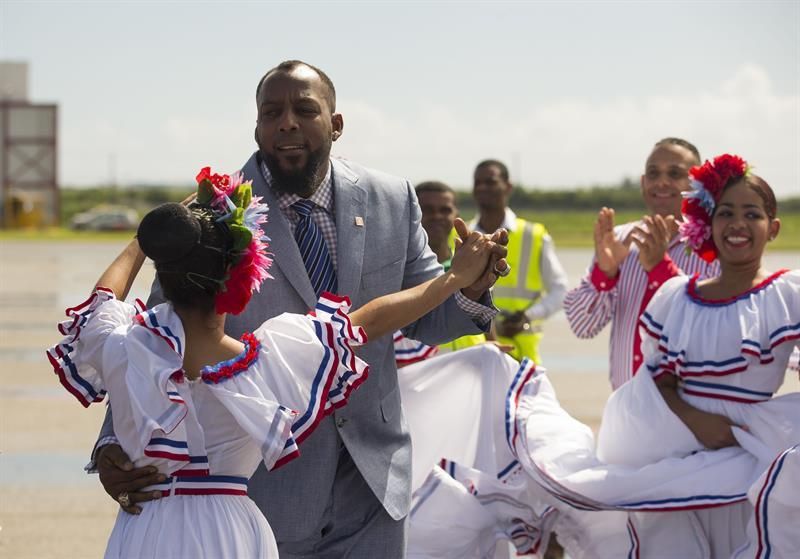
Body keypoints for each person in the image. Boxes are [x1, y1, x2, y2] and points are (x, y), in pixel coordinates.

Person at [93, 60, 508, 558]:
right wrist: (115, 444)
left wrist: (470, 287)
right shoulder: (214, 212)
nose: (286, 122)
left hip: (371, 484)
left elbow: (427, 314)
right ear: (257, 127)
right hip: (260, 490)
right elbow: (155, 333)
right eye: (272, 112)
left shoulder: (390, 199)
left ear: (335, 123)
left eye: (304, 109)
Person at [508, 154, 799, 557]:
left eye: (752, 214)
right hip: (667, 448)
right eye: (726, 213)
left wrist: (759, 430)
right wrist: (698, 420)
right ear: (709, 222)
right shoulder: (672, 291)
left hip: (746, 456)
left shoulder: (786, 294)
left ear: (773, 228)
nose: (737, 224)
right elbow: (650, 367)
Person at [563, 137, 720, 390]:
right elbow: (582, 326)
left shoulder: (714, 245)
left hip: (691, 416)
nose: (662, 182)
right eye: (653, 173)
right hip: (628, 416)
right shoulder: (621, 240)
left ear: (697, 185)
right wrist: (605, 274)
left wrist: (661, 269)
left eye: (675, 173)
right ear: (643, 182)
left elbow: (710, 329)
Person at [471, 159, 568, 363]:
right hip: (474, 352)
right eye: (477, 182)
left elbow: (560, 290)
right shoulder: (462, 236)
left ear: (508, 187)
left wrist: (527, 317)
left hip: (521, 354)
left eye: (490, 182)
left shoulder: (533, 235)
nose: (482, 188)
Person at [393, 181, 487, 365]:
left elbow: (484, 325)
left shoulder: (471, 266)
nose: (436, 216)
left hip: (470, 378)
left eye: (445, 210)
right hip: (421, 383)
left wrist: (493, 349)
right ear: (411, 214)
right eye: (427, 209)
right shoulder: (396, 273)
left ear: (457, 215)